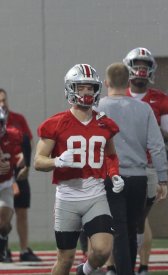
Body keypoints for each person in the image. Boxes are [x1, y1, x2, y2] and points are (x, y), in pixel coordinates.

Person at [34, 64, 122, 275]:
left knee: (103, 250)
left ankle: (85, 270)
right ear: (70, 89)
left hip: (95, 194)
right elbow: (38, 161)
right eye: (81, 87)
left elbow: (110, 155)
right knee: (65, 259)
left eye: (91, 88)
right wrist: (57, 162)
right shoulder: (55, 123)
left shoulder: (104, 123)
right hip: (67, 196)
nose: (87, 92)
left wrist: (114, 173)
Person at [96, 62, 168, 275]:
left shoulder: (98, 108)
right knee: (130, 230)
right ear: (128, 82)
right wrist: (162, 177)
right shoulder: (144, 108)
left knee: (118, 231)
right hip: (138, 177)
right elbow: (156, 145)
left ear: (106, 82)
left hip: (111, 175)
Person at [122, 47, 168, 275]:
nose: (141, 70)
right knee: (125, 219)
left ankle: (140, 265)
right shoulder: (118, 98)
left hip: (148, 166)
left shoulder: (160, 100)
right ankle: (120, 265)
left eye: (145, 65)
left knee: (138, 218)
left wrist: (152, 131)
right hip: (122, 166)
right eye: (137, 64)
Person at [0, 89, 42, 262]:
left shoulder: (14, 129)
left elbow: (27, 141)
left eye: (3, 99)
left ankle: (21, 249)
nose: (2, 103)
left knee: (17, 212)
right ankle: (4, 248)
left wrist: (26, 162)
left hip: (11, 176)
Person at [0, 108, 24, 262]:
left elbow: (24, 149)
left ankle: (3, 240)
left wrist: (24, 161)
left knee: (3, 223)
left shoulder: (13, 135)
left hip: (6, 184)